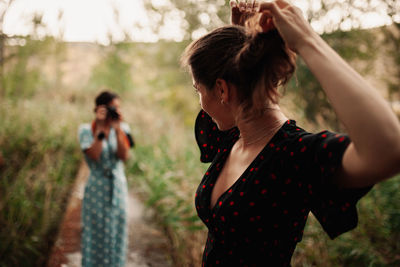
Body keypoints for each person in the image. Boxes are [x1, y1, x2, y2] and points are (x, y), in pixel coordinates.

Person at [181, 0, 400, 266]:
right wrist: (240, 41)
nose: (200, 102)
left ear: (222, 90)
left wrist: (307, 40)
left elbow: (388, 149)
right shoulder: (232, 137)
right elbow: (230, 102)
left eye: (197, 90)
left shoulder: (295, 156)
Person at [78, 90, 134, 267]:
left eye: (116, 108)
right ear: (98, 110)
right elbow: (94, 155)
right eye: (110, 108)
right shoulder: (87, 130)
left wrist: (117, 130)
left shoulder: (124, 129)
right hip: (96, 188)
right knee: (95, 232)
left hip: (118, 187)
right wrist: (101, 129)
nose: (113, 112)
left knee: (117, 231)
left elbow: (124, 156)